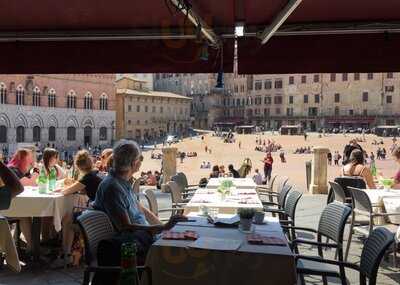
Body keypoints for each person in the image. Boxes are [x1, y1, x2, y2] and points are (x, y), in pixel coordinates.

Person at [93, 139, 186, 233]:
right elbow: (126, 229)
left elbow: (141, 210)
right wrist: (164, 228)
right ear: (134, 163)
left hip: (145, 236)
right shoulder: (113, 188)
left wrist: (164, 229)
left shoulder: (122, 182)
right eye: (140, 158)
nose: (141, 161)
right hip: (135, 243)